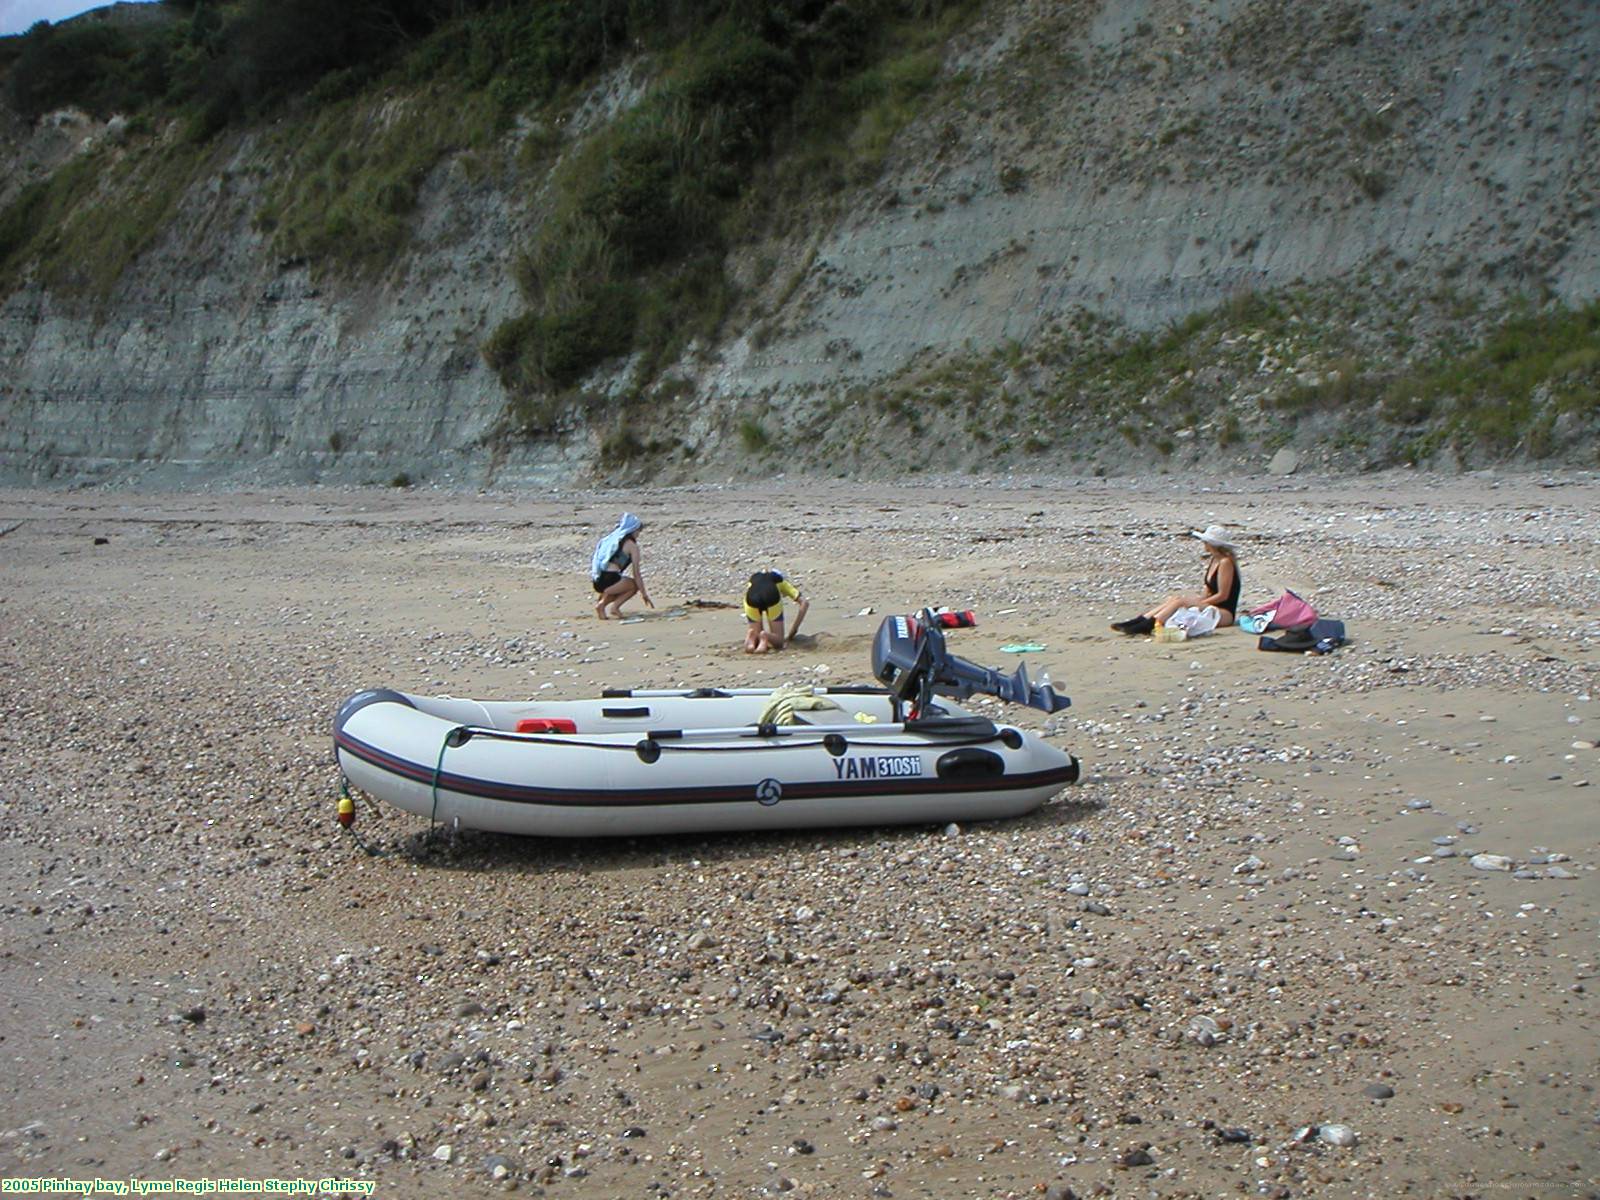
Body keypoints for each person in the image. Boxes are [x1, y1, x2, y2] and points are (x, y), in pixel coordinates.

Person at [1112, 524, 1241, 635]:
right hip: (1214, 606)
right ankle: (1140, 620)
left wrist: (1199, 602)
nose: (1204, 544)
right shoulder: (1215, 560)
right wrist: (1198, 600)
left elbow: (1223, 596)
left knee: (1181, 602)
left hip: (1224, 613)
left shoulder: (1225, 562)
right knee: (1175, 599)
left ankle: (1150, 624)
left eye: (1206, 542)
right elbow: (1208, 589)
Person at [591, 512, 653, 619]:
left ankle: (601, 606)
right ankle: (614, 607)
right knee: (633, 585)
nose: (638, 534)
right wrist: (644, 594)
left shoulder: (611, 541)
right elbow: (636, 573)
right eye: (638, 531)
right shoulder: (632, 546)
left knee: (620, 586)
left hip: (598, 580)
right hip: (611, 579)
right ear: (633, 530)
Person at [742, 569, 809, 653]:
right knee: (779, 641)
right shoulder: (780, 581)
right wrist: (794, 630)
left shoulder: (753, 579)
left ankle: (752, 638)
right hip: (771, 596)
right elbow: (804, 603)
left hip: (751, 598)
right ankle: (765, 636)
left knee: (757, 633)